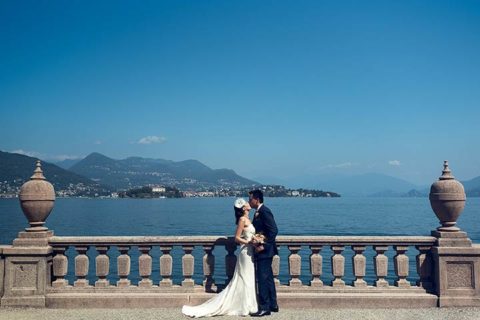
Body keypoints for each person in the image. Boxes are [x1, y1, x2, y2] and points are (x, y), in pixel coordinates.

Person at [181, 198, 258, 317]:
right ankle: (244, 305)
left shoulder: (248, 218)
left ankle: (249, 304)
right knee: (244, 277)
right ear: (244, 208)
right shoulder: (242, 220)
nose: (249, 203)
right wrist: (249, 242)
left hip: (250, 252)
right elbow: (237, 238)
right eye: (246, 203)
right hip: (245, 252)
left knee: (248, 276)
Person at [249, 189, 279, 317]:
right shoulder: (258, 212)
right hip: (266, 251)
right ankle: (273, 304)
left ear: (257, 199)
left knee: (262, 279)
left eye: (250, 199)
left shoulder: (264, 211)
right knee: (268, 279)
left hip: (264, 251)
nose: (249, 201)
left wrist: (262, 244)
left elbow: (273, 231)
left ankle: (264, 307)